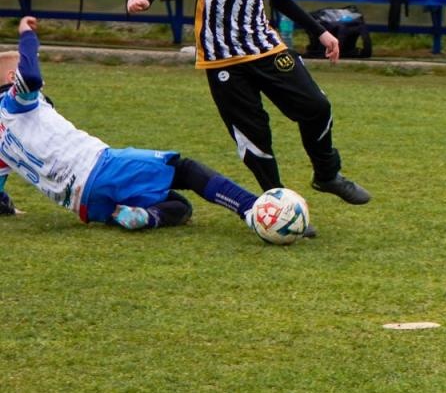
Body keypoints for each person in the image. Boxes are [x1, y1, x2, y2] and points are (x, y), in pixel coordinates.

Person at [126, 0, 371, 205]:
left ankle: (327, 174)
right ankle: (278, 202)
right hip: (223, 58)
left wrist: (321, 31)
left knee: (317, 106)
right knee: (254, 135)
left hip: (265, 48)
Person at [0, 16, 261, 232]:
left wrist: (7, 207)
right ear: (14, 78)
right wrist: (27, 37)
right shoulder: (14, 103)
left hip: (85, 206)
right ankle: (253, 209)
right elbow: (32, 78)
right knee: (185, 170)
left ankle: (144, 217)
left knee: (179, 206)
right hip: (100, 168)